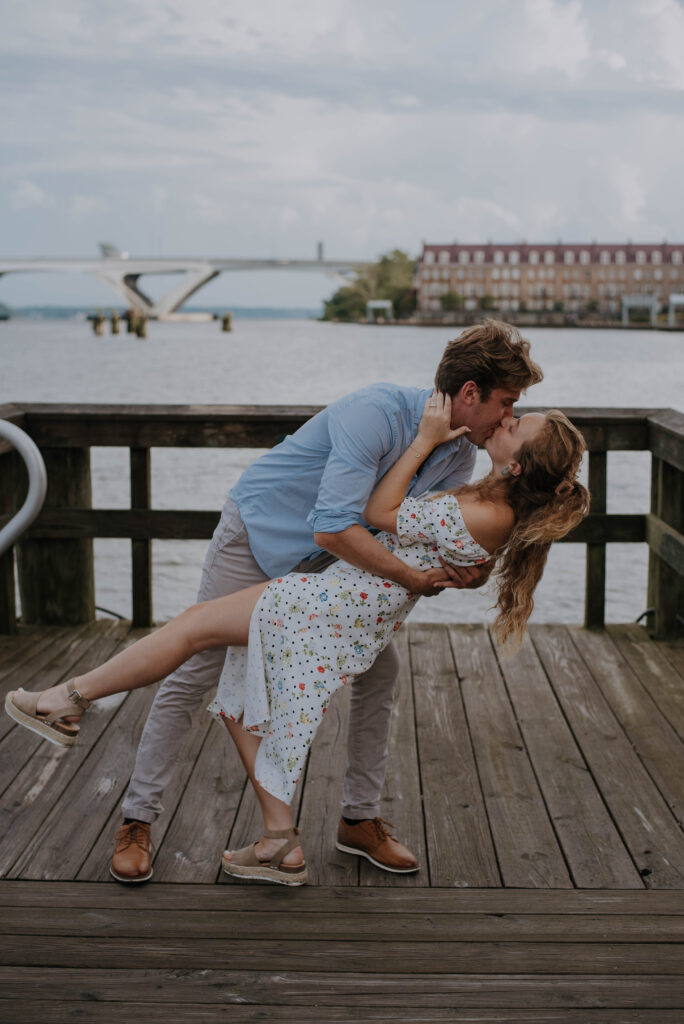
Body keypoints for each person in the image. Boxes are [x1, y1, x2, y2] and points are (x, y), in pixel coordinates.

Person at [26, 319, 544, 883]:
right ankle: (138, 819)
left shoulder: (458, 459)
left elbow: (408, 533)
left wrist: (455, 572)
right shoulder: (377, 412)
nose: (508, 416)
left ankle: (358, 819)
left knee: (380, 671)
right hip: (261, 534)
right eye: (507, 402)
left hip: (326, 575)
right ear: (470, 394)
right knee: (196, 667)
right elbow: (334, 528)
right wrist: (410, 580)